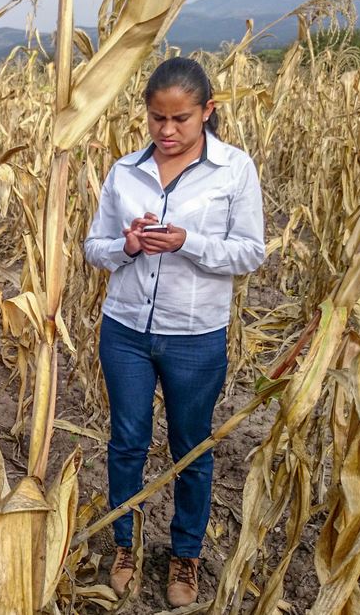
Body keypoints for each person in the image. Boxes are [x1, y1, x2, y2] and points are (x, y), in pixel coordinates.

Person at [84, 56, 265, 607]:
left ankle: (185, 555)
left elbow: (251, 253)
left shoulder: (234, 170)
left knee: (191, 449)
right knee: (127, 444)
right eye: (157, 119)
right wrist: (129, 246)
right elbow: (95, 247)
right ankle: (126, 545)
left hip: (195, 335)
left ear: (207, 112)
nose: (167, 131)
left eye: (181, 119)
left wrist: (188, 241)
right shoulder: (124, 171)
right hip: (126, 331)